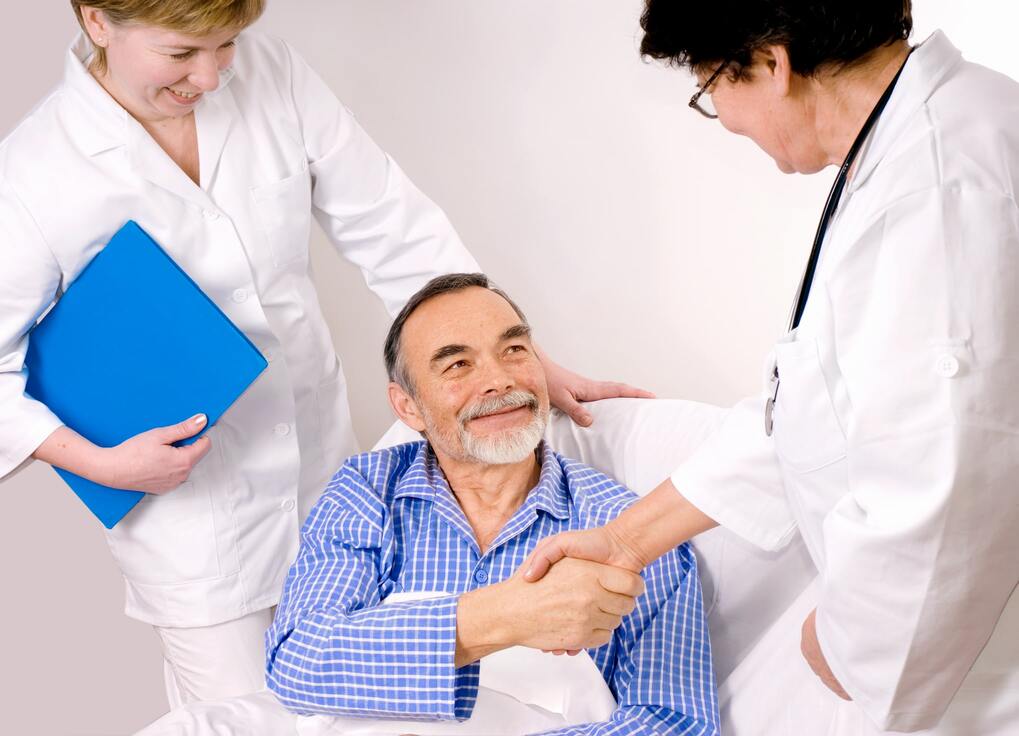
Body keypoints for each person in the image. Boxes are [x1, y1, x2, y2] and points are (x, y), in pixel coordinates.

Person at [0, 0, 647, 709]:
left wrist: (510, 361)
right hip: (196, 526)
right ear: (96, 19)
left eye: (227, 45)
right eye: (182, 54)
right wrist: (101, 463)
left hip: (329, 482)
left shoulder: (272, 73)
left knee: (368, 701)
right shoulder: (33, 174)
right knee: (252, 723)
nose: (212, 76)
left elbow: (392, 230)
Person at [523, 1, 1019, 734]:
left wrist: (859, 647)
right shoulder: (924, 139)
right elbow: (803, 406)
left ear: (771, 63)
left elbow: (947, 471)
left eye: (709, 88)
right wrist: (624, 541)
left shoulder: (937, 189)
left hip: (957, 655)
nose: (722, 118)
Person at [135, 273, 718, 735]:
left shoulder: (633, 527)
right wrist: (510, 616)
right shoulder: (367, 493)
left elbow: (672, 722)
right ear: (408, 408)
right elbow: (299, 661)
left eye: (514, 350)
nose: (498, 380)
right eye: (458, 364)